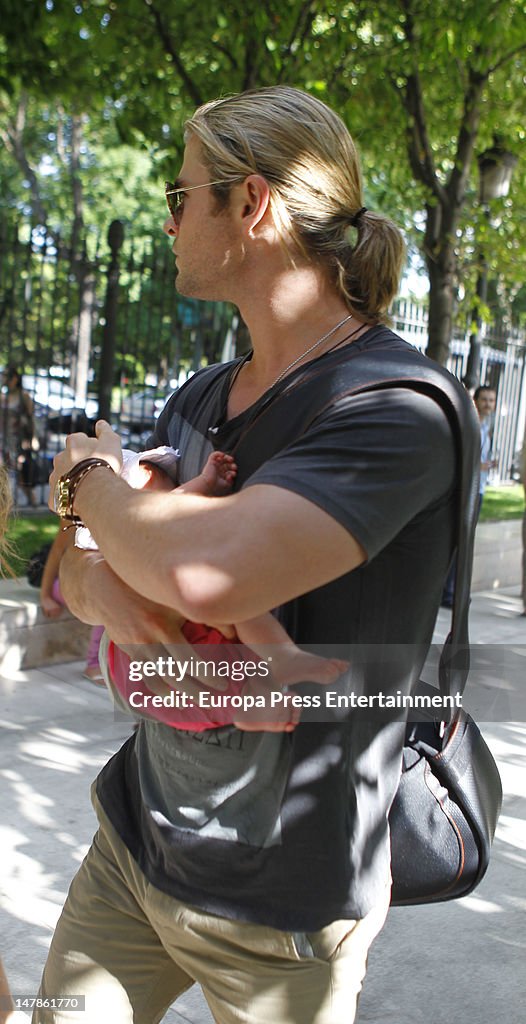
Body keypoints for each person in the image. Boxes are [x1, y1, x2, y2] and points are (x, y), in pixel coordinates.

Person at [35, 86, 477, 1024]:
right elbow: (70, 575)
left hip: (288, 914)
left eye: (180, 195)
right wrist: (94, 573)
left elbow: (207, 570)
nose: (168, 220)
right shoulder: (201, 397)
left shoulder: (398, 408)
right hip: (135, 847)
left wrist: (85, 485)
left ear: (252, 204)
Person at [85, 445, 347, 730]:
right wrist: (206, 483)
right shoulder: (128, 530)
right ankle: (282, 657)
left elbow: (171, 506)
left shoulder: (110, 534)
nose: (164, 483)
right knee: (235, 603)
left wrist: (206, 483)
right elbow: (170, 508)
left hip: (133, 668)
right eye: (146, 476)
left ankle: (247, 709)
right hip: (157, 642)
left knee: (205, 689)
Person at [441, 383, 497, 608]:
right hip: (467, 490)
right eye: (484, 399)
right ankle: (447, 592)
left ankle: (453, 591)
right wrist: (481, 465)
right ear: (476, 401)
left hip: (479, 490)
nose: (488, 404)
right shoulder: (469, 425)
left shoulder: (486, 428)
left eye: (492, 400)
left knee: (465, 543)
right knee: (457, 541)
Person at [39, 527, 105, 683]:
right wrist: (45, 596)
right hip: (67, 584)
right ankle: (94, 664)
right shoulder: (74, 514)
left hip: (98, 584)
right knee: (107, 605)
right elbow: (57, 551)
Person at [0, 368, 38, 507]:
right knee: (3, 470)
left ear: (15, 378)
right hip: (3, 437)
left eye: (5, 376)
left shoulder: (24, 396)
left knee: (19, 470)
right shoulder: (3, 396)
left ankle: (32, 499)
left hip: (18, 439)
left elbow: (31, 418)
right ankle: (5, 502)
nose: (3, 379)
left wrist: (33, 438)